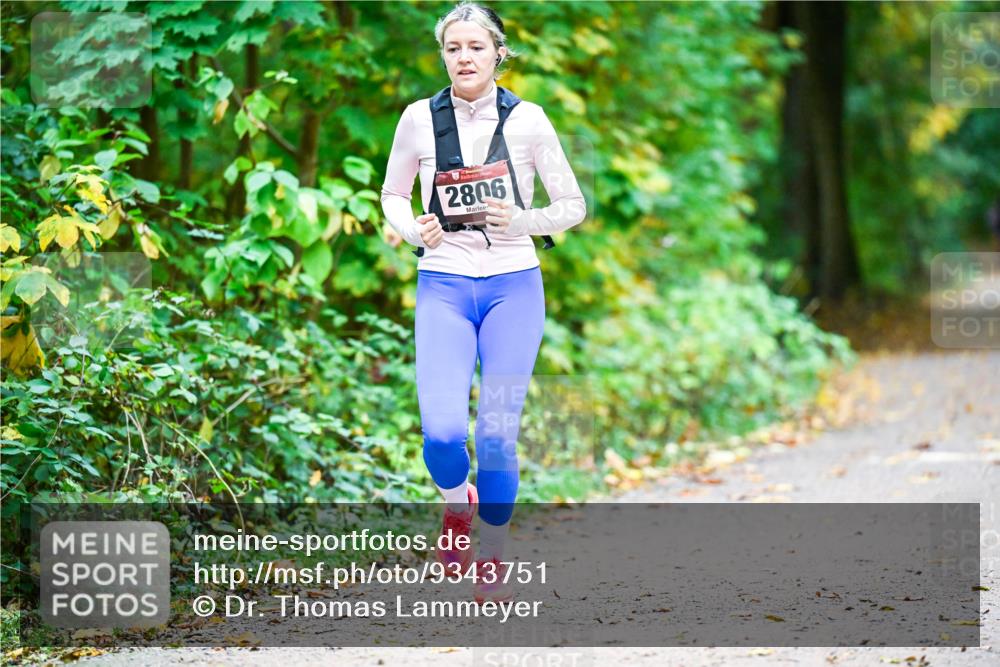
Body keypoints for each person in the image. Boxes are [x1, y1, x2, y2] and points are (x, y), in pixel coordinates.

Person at [380, 1, 586, 604]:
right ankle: (455, 507)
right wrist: (416, 229)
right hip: (443, 283)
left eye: (475, 46)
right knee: (443, 434)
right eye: (453, 48)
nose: (464, 57)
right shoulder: (419, 118)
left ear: (498, 52)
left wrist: (522, 218)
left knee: (496, 434)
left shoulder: (530, 121)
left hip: (513, 284)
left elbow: (572, 205)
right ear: (443, 55)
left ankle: (491, 550)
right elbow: (392, 193)